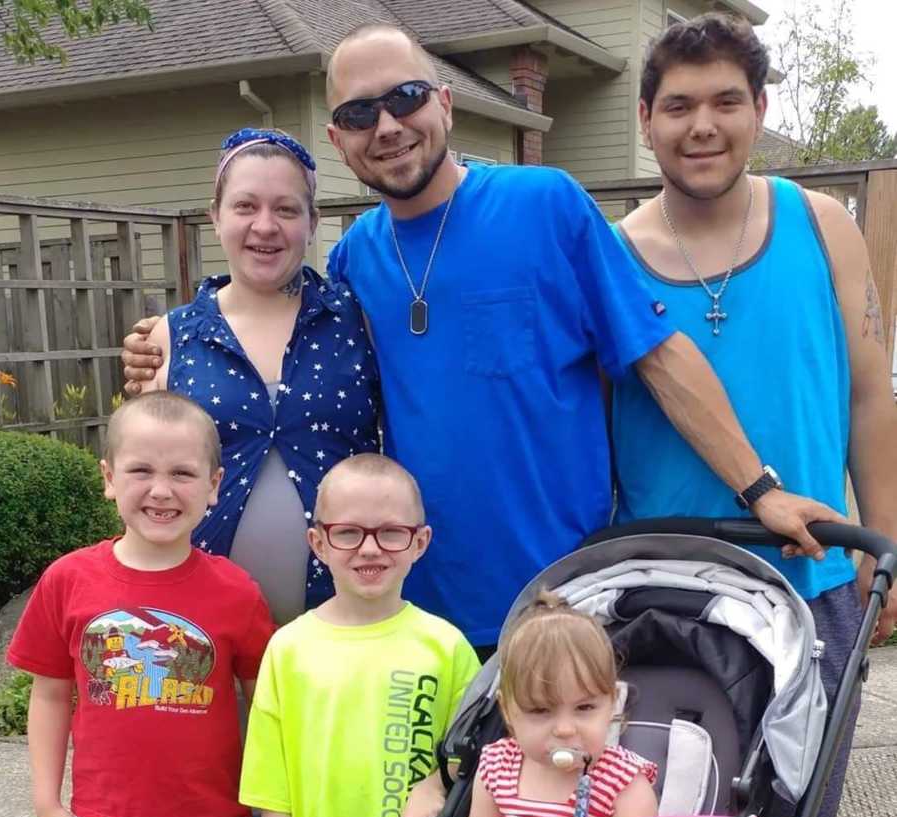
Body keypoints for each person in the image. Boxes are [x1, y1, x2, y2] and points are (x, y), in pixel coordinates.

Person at [122, 25, 840, 657]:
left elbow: (658, 352)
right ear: (338, 139)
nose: (388, 125)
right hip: (406, 612)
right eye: (358, 113)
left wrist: (761, 489)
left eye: (405, 98)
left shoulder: (546, 204)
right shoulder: (355, 259)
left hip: (559, 609)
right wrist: (175, 334)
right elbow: (267, 320)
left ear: (445, 102)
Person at [611, 14, 897, 817]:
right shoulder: (614, 258)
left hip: (811, 588)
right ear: (646, 121)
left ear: (760, 107)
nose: (704, 125)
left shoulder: (821, 225)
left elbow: (867, 393)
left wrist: (882, 539)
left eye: (727, 101)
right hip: (669, 602)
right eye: (681, 105)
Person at [6, 391, 276, 817]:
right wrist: (48, 808)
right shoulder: (68, 580)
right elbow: (48, 696)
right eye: (141, 470)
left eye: (182, 473)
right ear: (109, 478)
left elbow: (266, 705)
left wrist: (268, 810)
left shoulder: (237, 591)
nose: (161, 490)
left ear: (214, 486)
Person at [140, 126, 379, 625]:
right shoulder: (172, 337)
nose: (265, 226)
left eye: (286, 209)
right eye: (245, 206)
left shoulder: (359, 321)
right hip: (206, 631)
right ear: (216, 216)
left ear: (312, 222)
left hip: (347, 623)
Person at [238, 453, 481, 817]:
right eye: (348, 532)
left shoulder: (446, 648)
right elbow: (272, 786)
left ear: (420, 542)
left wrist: (435, 781)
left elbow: (475, 756)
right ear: (318, 542)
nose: (370, 548)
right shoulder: (289, 649)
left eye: (391, 532)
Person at [452, 592, 721, 817]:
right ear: (508, 713)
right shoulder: (496, 766)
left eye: (585, 708)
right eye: (540, 711)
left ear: (611, 704)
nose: (565, 730)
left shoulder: (623, 783)